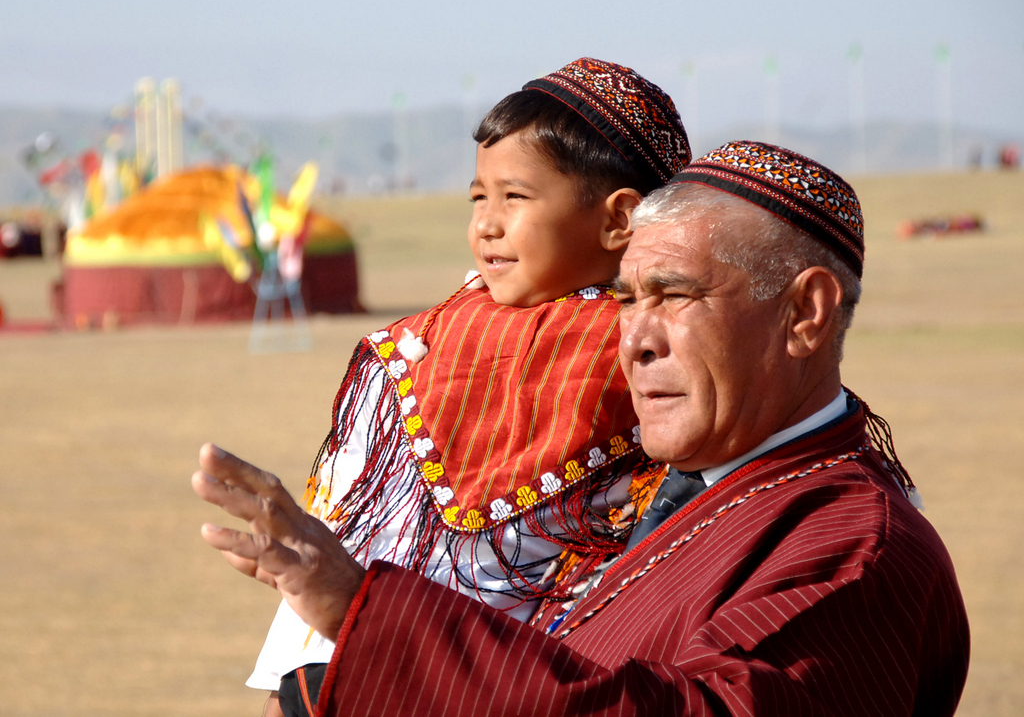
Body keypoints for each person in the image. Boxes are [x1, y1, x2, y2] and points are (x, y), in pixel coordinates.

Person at [195, 141, 969, 716]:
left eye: (673, 293)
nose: (633, 337)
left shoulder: (854, 545)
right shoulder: (663, 498)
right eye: (628, 298)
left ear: (803, 313)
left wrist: (373, 619)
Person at [247, 58, 691, 716]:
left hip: (495, 673)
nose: (486, 222)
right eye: (478, 197)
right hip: (353, 664)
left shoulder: (648, 348)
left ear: (618, 219)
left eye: (514, 197)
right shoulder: (437, 333)